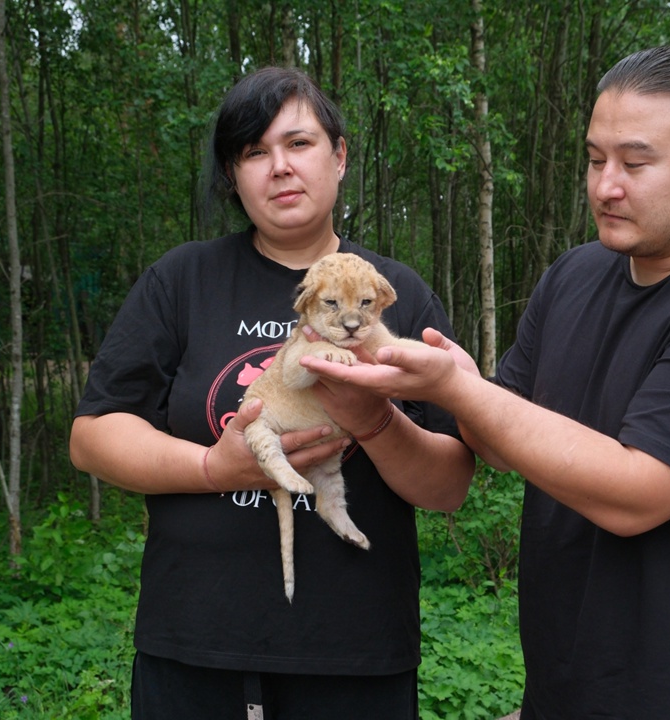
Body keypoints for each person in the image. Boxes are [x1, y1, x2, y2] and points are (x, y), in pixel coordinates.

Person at [301, 44, 670, 718]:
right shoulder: (576, 276)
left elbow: (634, 495)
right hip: (564, 688)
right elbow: (499, 443)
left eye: (636, 163)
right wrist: (384, 410)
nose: (605, 186)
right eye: (595, 159)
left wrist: (462, 391)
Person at [69, 66, 474, 720]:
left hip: (355, 656)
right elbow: (91, 437)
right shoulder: (181, 281)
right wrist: (212, 467)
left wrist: (375, 424)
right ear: (233, 176)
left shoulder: (396, 292)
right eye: (254, 152)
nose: (279, 167)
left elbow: (449, 484)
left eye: (299, 144)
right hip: (195, 650)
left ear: (339, 157)